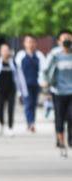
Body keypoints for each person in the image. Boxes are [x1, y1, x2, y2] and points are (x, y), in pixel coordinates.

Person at [43, 29, 72, 157]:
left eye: (69, 38)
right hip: (58, 91)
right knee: (59, 117)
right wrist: (45, 82)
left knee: (71, 117)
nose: (67, 41)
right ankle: (61, 141)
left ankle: (70, 140)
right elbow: (45, 70)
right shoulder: (55, 55)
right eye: (64, 38)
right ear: (59, 41)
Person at [0, 43, 25, 137]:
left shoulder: (14, 63)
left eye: (7, 50)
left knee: (11, 109)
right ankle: (1, 124)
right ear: (0, 52)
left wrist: (22, 91)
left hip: (11, 90)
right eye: (3, 50)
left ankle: (10, 127)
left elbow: (19, 77)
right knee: (0, 108)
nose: (5, 52)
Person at [15, 35, 46, 132]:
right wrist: (18, 90)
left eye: (32, 42)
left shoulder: (39, 55)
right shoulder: (20, 55)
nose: (30, 44)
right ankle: (30, 123)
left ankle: (32, 121)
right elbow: (17, 73)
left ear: (36, 43)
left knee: (34, 104)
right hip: (24, 85)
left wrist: (42, 82)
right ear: (24, 43)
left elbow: (43, 70)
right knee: (28, 104)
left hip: (36, 84)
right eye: (28, 42)